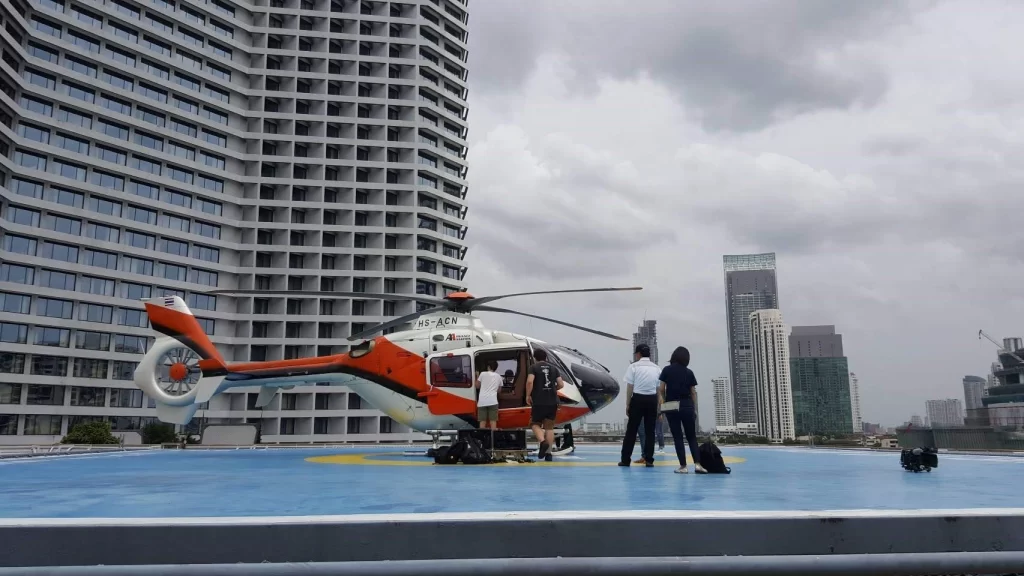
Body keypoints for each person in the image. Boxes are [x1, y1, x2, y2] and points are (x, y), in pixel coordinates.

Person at [659, 346, 706, 474]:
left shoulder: (666, 370)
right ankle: (697, 465)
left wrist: (663, 403)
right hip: (687, 405)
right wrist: (694, 409)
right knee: (691, 437)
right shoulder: (689, 372)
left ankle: (683, 467)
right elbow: (693, 392)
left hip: (672, 406)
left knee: (678, 437)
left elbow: (661, 390)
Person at [619, 343, 661, 467]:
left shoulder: (633, 367)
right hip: (652, 399)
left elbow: (630, 387)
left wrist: (627, 404)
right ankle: (649, 459)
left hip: (638, 399)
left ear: (638, 354)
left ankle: (625, 459)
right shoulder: (657, 368)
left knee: (631, 431)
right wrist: (658, 406)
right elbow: (659, 390)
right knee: (650, 431)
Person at [526, 348, 564, 461]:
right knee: (549, 427)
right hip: (552, 401)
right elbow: (561, 384)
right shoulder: (554, 368)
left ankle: (543, 442)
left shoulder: (533, 367)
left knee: (534, 423)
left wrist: (528, 395)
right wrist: (553, 389)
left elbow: (529, 381)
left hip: (539, 401)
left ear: (535, 358)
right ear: (546, 357)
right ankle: (549, 454)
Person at [475, 359, 501, 432]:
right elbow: (499, 390)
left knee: (482, 421)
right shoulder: (499, 376)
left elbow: (477, 386)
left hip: (482, 401)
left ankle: (482, 439)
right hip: (493, 401)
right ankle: (493, 440)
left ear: (488, 367)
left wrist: (476, 376)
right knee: (493, 421)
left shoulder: (482, 374)